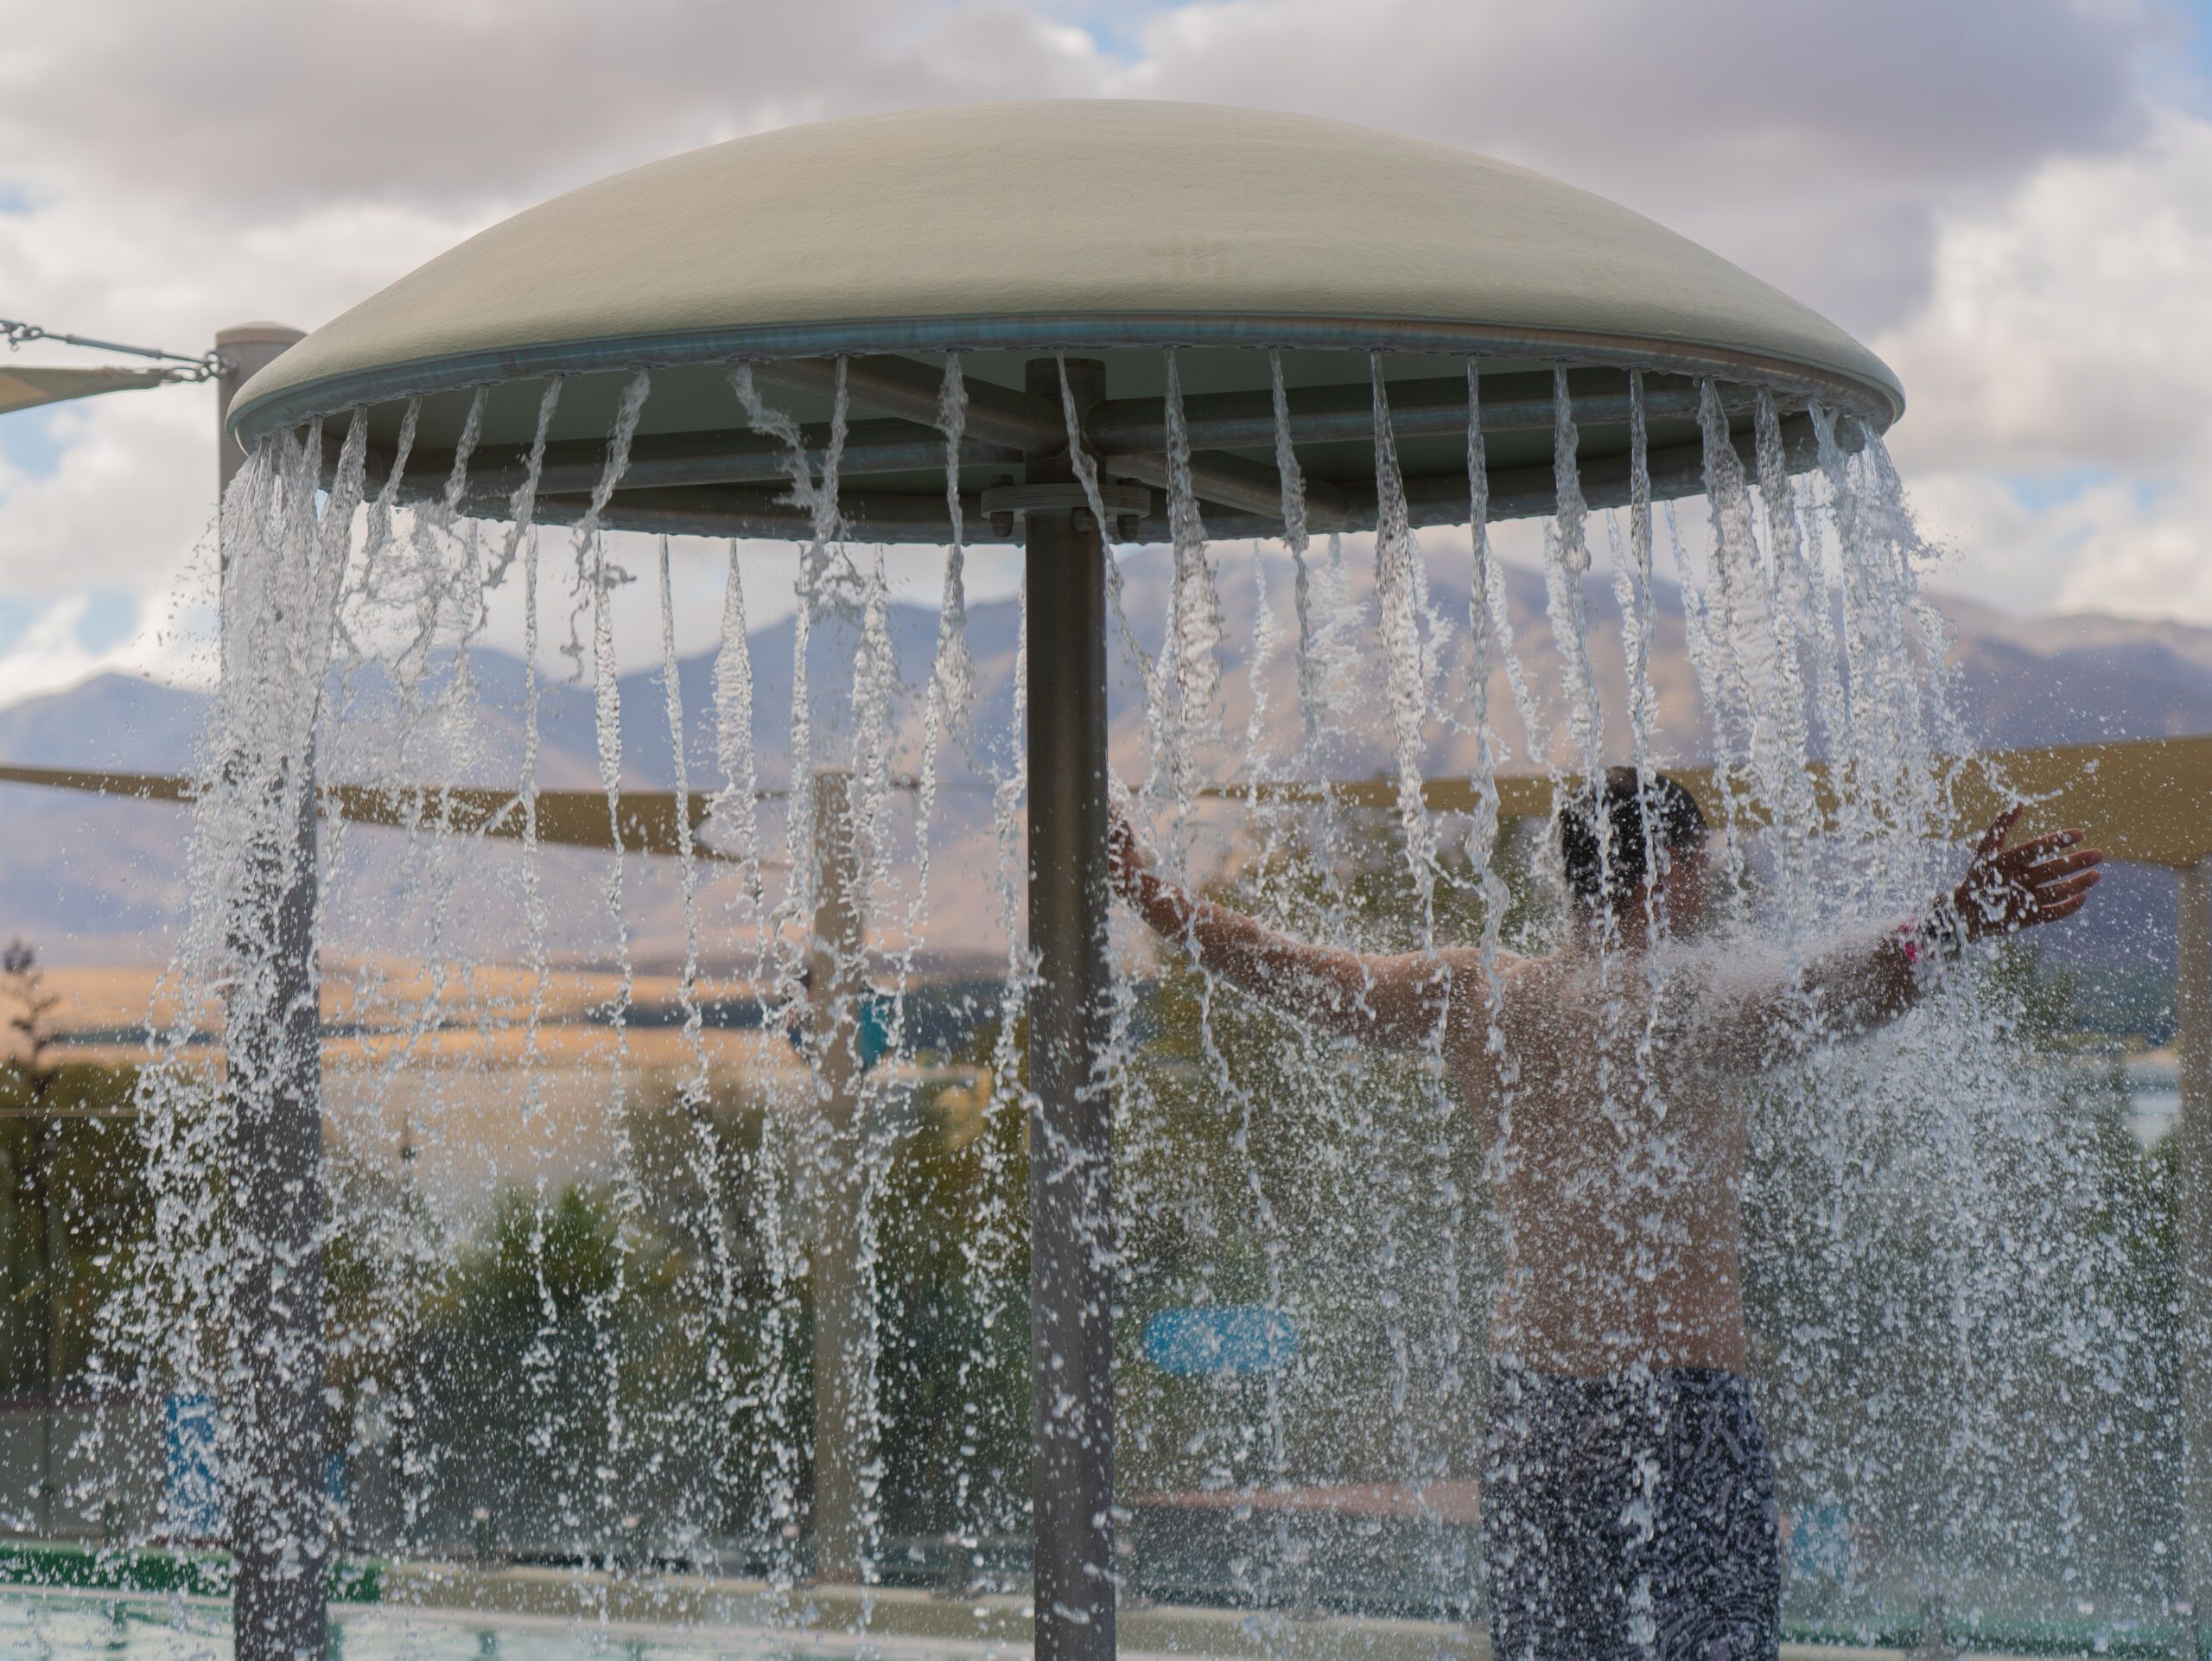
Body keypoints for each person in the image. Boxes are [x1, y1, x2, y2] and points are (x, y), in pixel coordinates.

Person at [1108, 767, 2103, 1660]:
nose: (1710, 887)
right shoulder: (1693, 998)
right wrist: (1957, 920)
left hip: (1533, 1412)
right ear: (1667, 868)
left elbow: (1303, 974)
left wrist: (1154, 896)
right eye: (1703, 865)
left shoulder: (1479, 995)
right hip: (1679, 1407)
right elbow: (1838, 990)